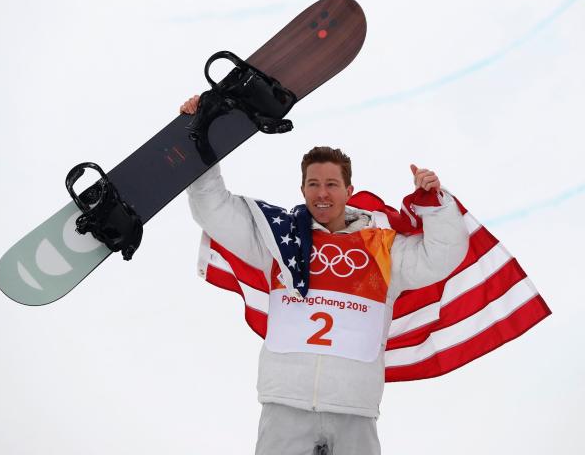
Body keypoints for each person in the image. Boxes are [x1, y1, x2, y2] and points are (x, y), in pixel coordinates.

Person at [181, 95, 469, 454]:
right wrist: (200, 136)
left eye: (332, 184)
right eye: (313, 183)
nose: (322, 193)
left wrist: (434, 203)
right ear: (302, 189)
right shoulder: (278, 240)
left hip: (354, 408)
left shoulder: (382, 247)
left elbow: (443, 255)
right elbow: (214, 209)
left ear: (349, 191)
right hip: (285, 405)